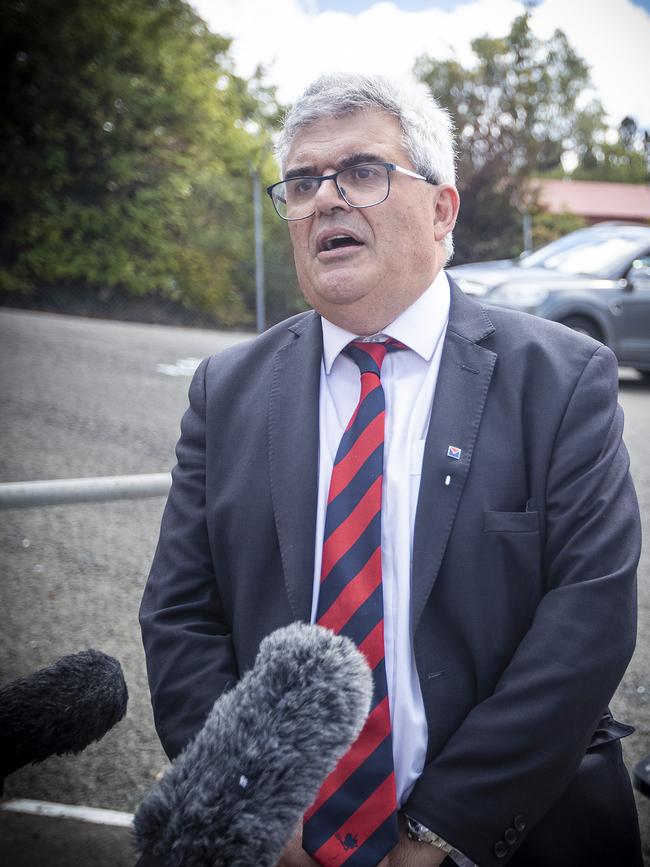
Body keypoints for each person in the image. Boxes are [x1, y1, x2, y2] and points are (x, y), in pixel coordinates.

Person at [139, 73, 642, 866]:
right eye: (303, 182)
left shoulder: (562, 379)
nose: (327, 199)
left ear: (441, 211)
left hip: (516, 841)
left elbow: (588, 623)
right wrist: (259, 813)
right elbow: (181, 618)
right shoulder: (225, 389)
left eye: (363, 172)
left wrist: (436, 831)